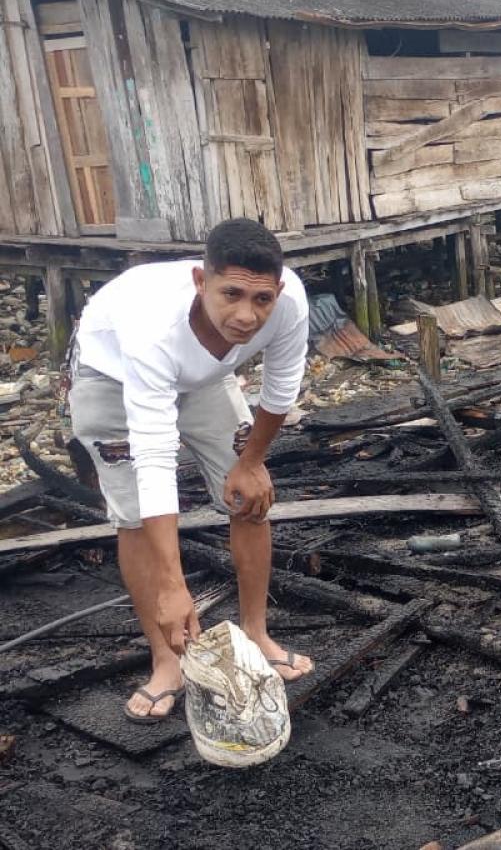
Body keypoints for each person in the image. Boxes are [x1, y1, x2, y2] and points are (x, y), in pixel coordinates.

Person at [68, 218, 314, 723]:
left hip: (206, 376)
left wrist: (251, 463)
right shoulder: (151, 326)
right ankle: (165, 660)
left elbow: (281, 387)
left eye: (261, 300)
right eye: (231, 294)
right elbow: (155, 457)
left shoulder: (289, 305)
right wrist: (174, 586)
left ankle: (255, 633)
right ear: (202, 281)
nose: (246, 316)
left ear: (278, 292)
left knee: (251, 497)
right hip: (113, 375)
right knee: (135, 514)